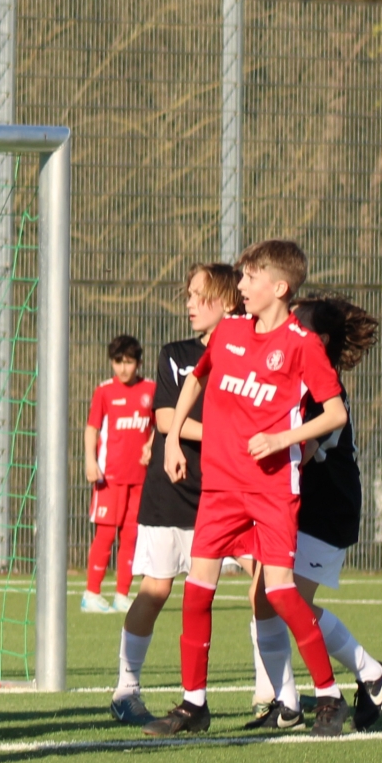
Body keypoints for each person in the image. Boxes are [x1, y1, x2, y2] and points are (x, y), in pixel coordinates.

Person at [142, 239, 352, 738]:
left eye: (250, 278)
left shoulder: (301, 344)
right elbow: (196, 381)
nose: (241, 286)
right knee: (197, 589)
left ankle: (329, 696)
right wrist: (172, 438)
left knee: (280, 592)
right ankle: (194, 705)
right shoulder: (231, 331)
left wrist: (282, 438)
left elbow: (335, 413)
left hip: (272, 489)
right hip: (220, 486)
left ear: (278, 287)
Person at [240, 294, 382, 732]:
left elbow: (302, 455)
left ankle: (372, 673)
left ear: (320, 340)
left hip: (326, 511)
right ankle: (286, 703)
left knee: (290, 600)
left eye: (298, 329)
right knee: (264, 599)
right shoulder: (293, 381)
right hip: (295, 507)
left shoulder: (324, 393)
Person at [108, 263, 240, 726]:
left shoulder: (246, 355)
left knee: (267, 583)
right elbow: (166, 420)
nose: (189, 303)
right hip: (173, 491)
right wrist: (225, 436)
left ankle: (275, 696)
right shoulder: (176, 354)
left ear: (229, 302)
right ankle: (126, 689)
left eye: (200, 295)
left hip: (228, 489)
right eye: (188, 294)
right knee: (157, 589)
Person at [83, 335, 155, 613]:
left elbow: (160, 425)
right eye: (118, 362)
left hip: (140, 477)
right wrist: (90, 460)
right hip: (109, 477)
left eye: (129, 362)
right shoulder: (104, 391)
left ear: (139, 363)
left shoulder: (151, 389)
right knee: (105, 535)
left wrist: (151, 446)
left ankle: (122, 594)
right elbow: (92, 428)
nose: (123, 368)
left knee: (131, 536)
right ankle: (92, 593)